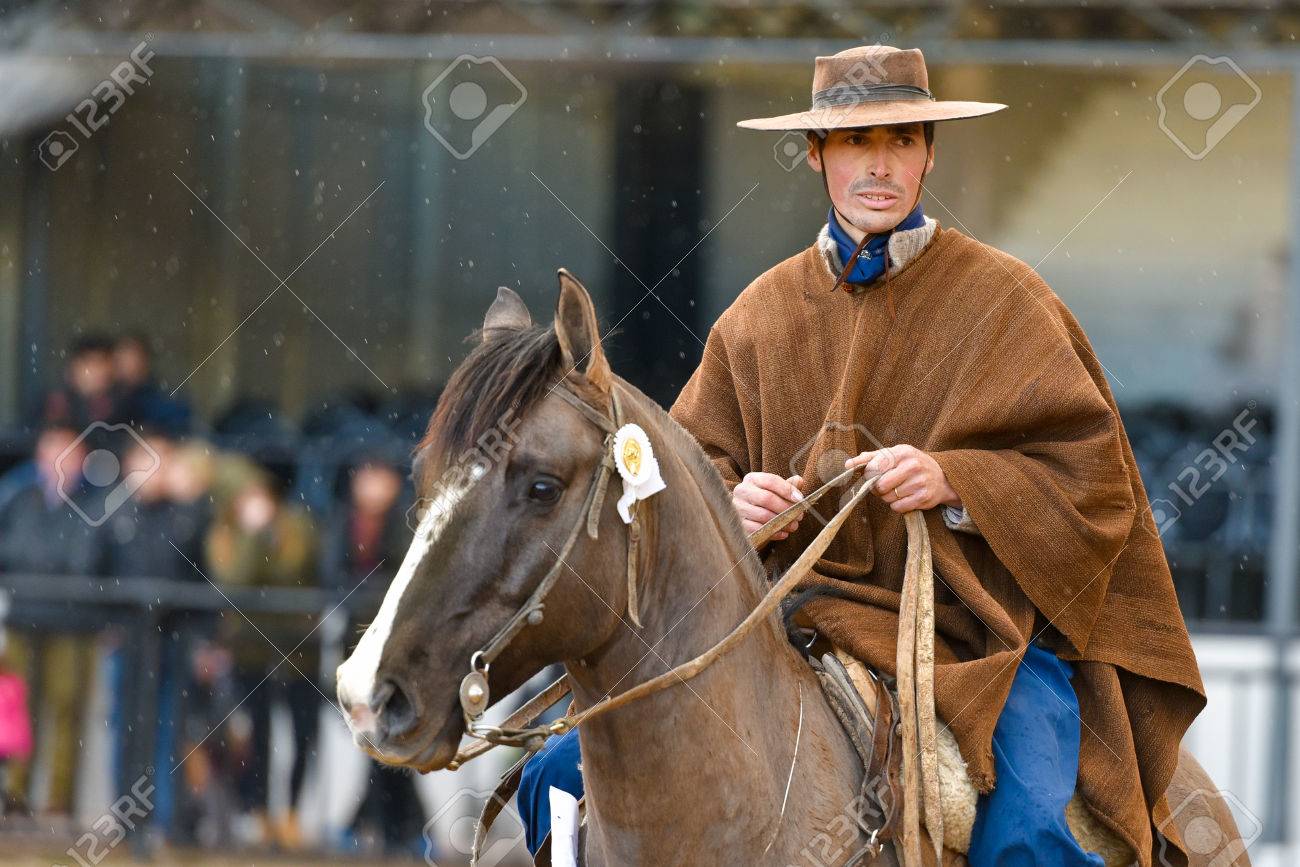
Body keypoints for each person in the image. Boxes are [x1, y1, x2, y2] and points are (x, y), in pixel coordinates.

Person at [520, 45, 1205, 866]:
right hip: (779, 626)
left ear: (928, 152)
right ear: (816, 155)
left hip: (974, 643)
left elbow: (1094, 485)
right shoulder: (757, 317)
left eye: (902, 141)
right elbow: (675, 478)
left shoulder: (1009, 300)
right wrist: (729, 505)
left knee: (1031, 825)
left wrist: (963, 482)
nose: (880, 165)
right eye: (854, 143)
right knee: (555, 776)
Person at [0, 422, 105, 815]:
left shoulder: (92, 504)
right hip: (25, 617)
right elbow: (12, 551)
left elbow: (84, 559)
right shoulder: (22, 500)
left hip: (72, 623)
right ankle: (15, 796)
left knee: (66, 709)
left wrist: (42, 565)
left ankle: (59, 805)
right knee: (18, 711)